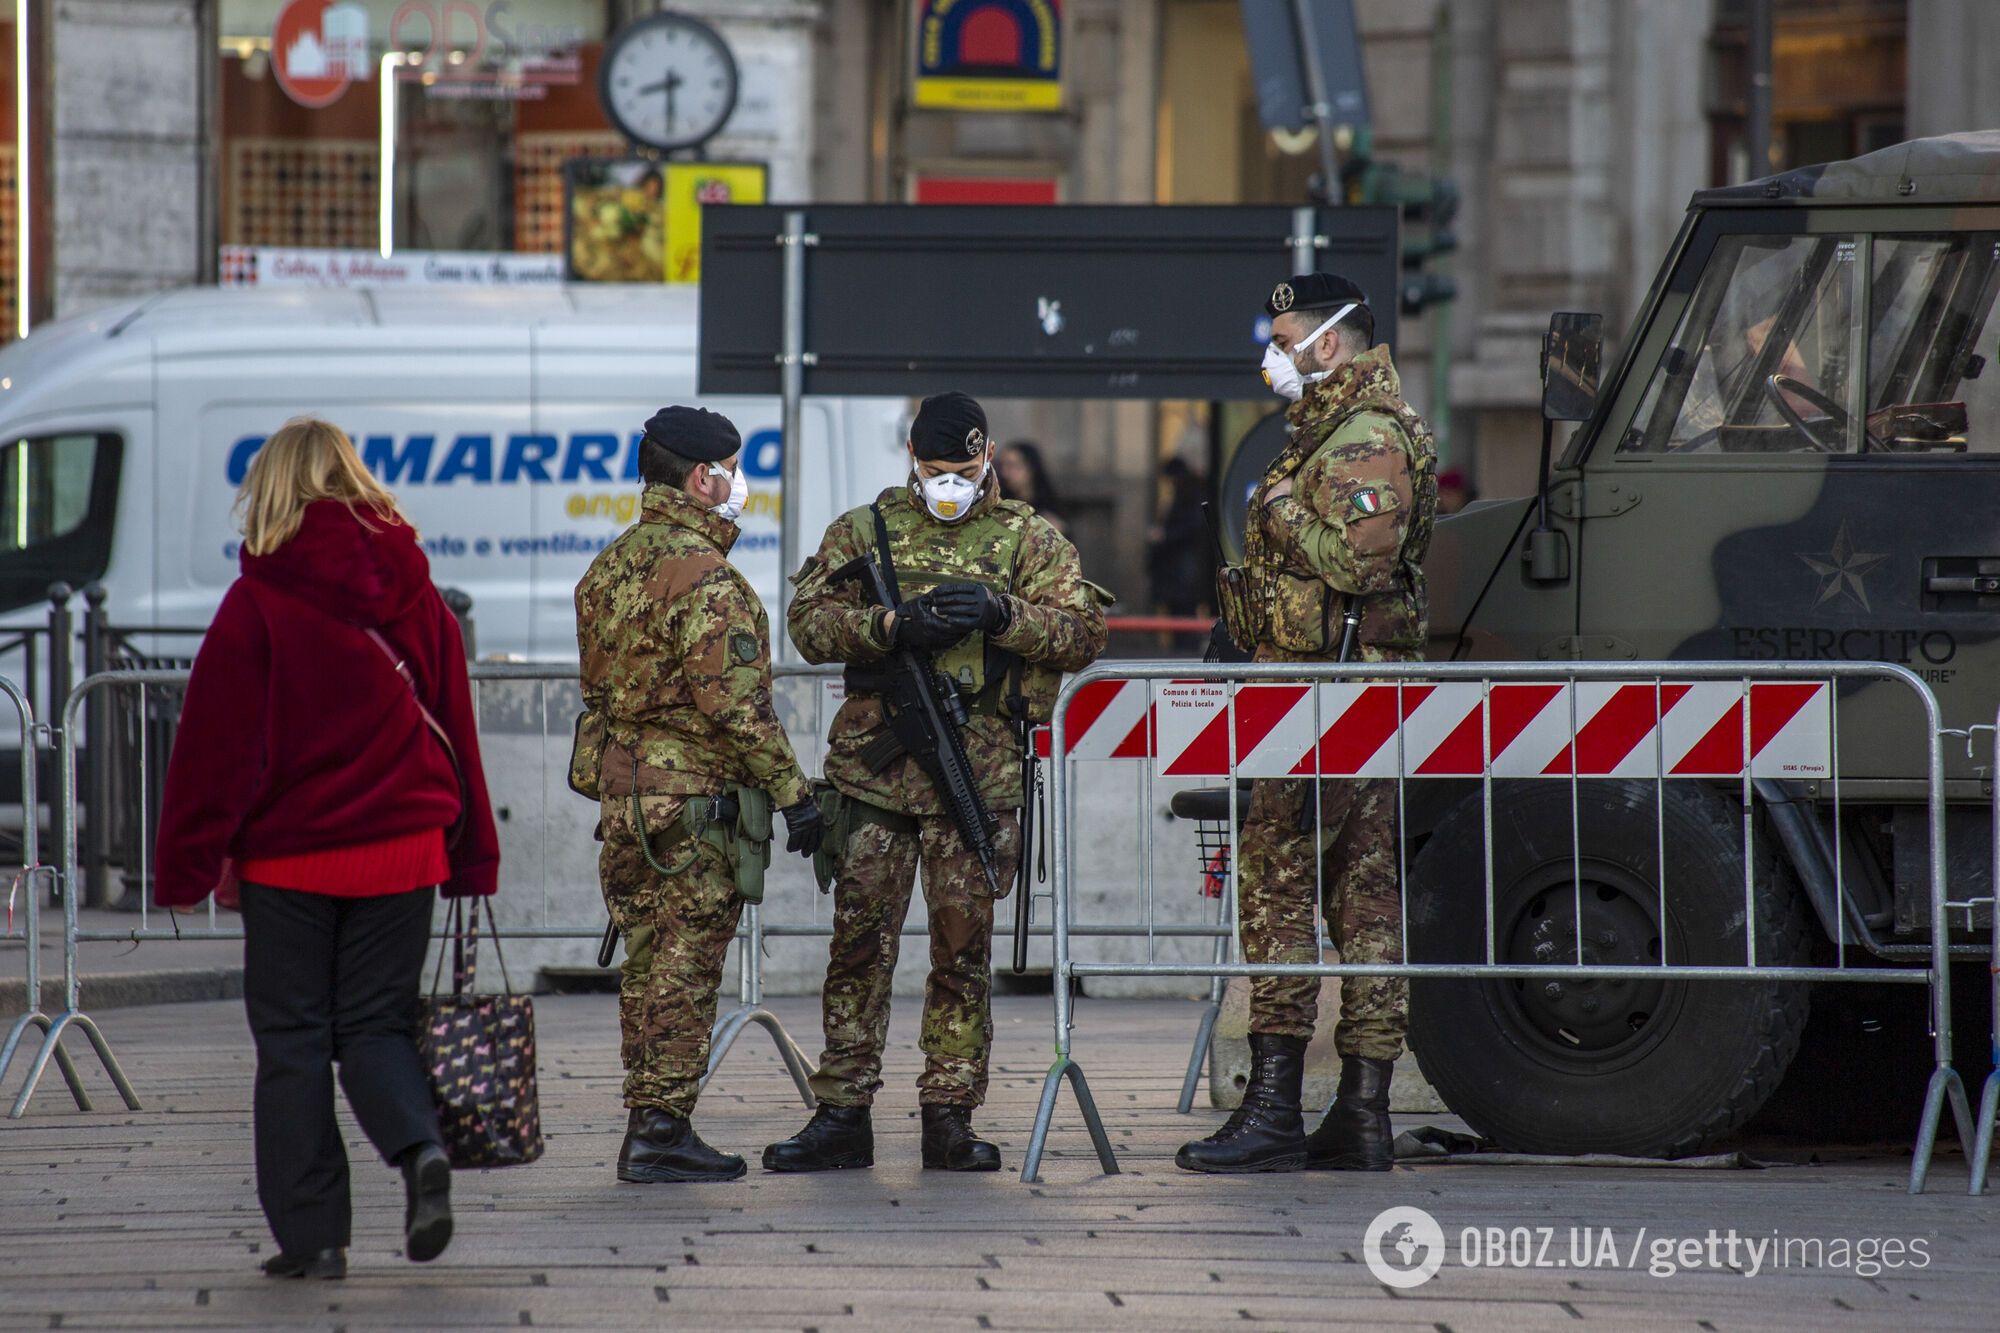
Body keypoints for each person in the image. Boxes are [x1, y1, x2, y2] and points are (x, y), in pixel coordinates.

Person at [156, 417, 500, 1278]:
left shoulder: (255, 604)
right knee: (377, 1025)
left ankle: (313, 1238)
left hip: (290, 861)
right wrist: (473, 856)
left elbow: (214, 749)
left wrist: (185, 866)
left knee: (295, 1042)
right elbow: (457, 726)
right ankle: (419, 1148)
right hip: (405, 850)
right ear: (354, 481)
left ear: (270, 490)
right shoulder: (417, 594)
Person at [767, 391, 1108, 1173]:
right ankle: (843, 1110)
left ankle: (949, 1112)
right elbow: (808, 620)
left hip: (975, 778)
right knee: (859, 945)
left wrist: (1000, 613)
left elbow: (1083, 633)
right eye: (934, 470)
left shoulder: (1026, 536)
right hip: (875, 776)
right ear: (911, 460)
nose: (949, 484)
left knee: (962, 949)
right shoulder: (866, 528)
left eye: (964, 470)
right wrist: (888, 627)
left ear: (988, 458)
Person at [1179, 273, 1438, 1174]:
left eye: (1285, 335)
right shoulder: (1330, 428)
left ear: (1330, 342)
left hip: (1329, 701)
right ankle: (1351, 1113)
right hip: (1309, 694)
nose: (1273, 352)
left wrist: (1280, 508)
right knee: (1354, 893)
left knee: (1293, 888)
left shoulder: (1366, 435)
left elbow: (1360, 567)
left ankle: (1285, 1106)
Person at [573, 405, 822, 1184]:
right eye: (733, 469)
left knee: (648, 965)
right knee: (684, 965)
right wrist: (795, 797)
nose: (738, 484)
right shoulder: (710, 580)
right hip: (691, 808)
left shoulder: (608, 568)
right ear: (703, 476)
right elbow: (738, 708)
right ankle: (662, 1130)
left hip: (625, 800)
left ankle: (649, 1119)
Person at [995, 439, 1067, 533]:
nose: (1005, 473)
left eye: (1011, 466)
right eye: (1002, 466)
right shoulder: (1000, 505)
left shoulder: (1050, 507)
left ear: (1030, 467)